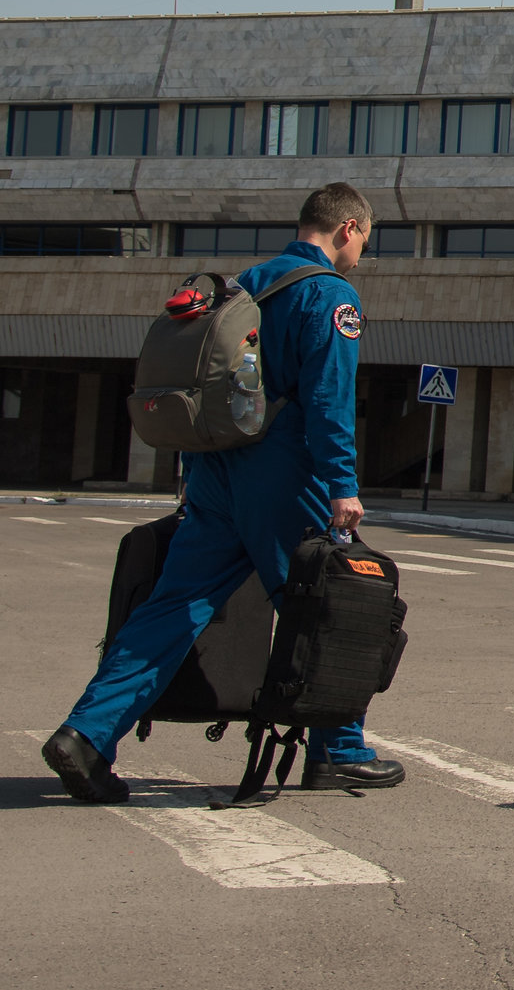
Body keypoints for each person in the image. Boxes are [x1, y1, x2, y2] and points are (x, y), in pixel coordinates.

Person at [42, 182, 404, 803]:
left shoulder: (242, 285)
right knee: (335, 600)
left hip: (214, 472)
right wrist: (341, 485)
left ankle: (87, 734)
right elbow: (327, 401)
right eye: (364, 241)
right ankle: (338, 751)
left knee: (173, 606)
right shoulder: (329, 295)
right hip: (284, 475)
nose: (361, 254)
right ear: (348, 229)